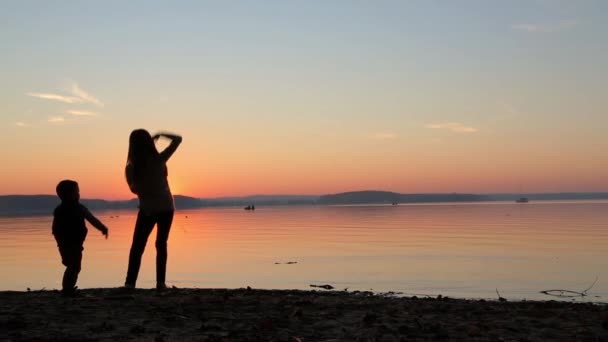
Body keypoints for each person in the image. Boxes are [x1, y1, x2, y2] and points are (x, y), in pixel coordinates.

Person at [124, 129, 182, 290]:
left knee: (137, 247)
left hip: (148, 209)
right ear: (149, 143)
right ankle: (160, 283)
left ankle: (130, 283)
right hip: (166, 207)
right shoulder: (159, 159)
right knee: (161, 244)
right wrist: (161, 135)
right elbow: (178, 139)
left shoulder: (131, 167)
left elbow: (133, 189)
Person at [52, 180, 109, 296]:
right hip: (71, 243)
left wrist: (58, 240)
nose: (78, 194)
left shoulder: (60, 210)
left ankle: (68, 288)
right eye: (76, 192)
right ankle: (67, 289)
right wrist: (102, 228)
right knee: (74, 266)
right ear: (68, 195)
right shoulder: (77, 208)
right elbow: (91, 219)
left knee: (72, 265)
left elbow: (54, 229)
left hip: (69, 243)